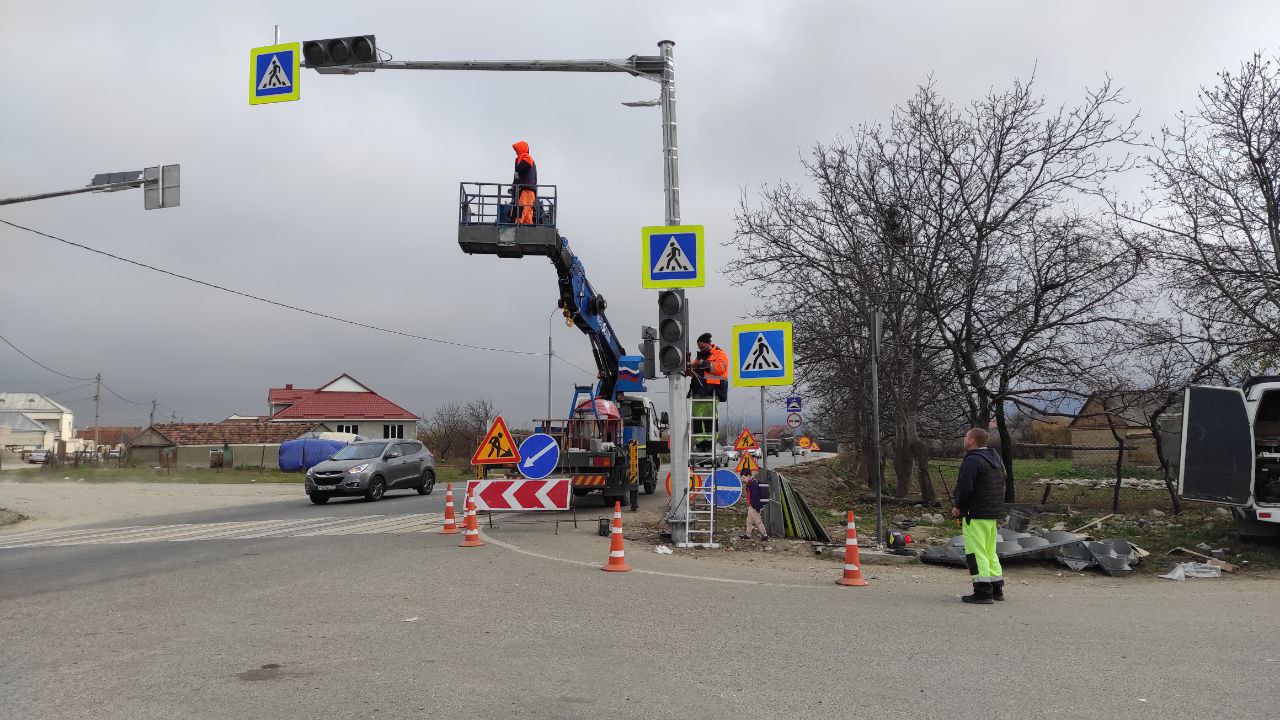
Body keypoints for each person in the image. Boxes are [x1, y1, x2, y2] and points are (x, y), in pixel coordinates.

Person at [951, 427, 1006, 604]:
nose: (964, 438)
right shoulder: (995, 458)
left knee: (976, 552)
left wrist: (958, 506)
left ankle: (982, 591)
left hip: (975, 513)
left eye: (966, 436)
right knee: (990, 551)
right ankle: (996, 588)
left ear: (972, 441)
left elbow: (965, 487)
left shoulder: (973, 460)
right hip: (992, 513)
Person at [686, 333, 728, 402]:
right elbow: (692, 373)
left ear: (709, 343)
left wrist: (703, 363)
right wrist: (691, 367)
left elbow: (720, 369)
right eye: (699, 348)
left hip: (713, 390)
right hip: (698, 390)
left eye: (703, 347)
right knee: (696, 412)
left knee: (709, 412)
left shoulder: (720, 354)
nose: (701, 349)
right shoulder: (700, 356)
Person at [510, 140, 537, 225]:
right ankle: (528, 228)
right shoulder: (525, 158)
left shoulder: (526, 156)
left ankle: (516, 227)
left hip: (526, 190)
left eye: (517, 150)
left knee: (520, 211)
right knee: (527, 213)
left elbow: (525, 164)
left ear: (521, 149)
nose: (516, 153)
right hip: (530, 191)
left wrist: (517, 167)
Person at [739, 468, 770, 540]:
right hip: (751, 505)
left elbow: (756, 496)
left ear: (748, 476)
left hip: (755, 506)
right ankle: (748, 534)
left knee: (758, 521)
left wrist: (756, 507)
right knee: (749, 521)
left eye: (744, 477)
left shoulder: (753, 484)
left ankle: (765, 535)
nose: (743, 479)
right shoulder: (750, 483)